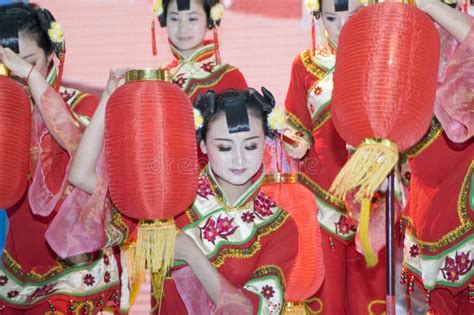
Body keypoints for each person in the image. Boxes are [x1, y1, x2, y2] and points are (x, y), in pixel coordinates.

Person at [69, 86, 299, 314]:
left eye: (250, 145)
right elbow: (81, 176)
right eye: (224, 147)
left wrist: (192, 255)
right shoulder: (170, 195)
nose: (239, 159)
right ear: (203, 145)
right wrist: (109, 95)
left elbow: (253, 311)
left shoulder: (278, 225)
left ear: (266, 146)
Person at [0, 3, 129, 314]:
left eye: (28, 63)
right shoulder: (5, 115)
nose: (16, 75)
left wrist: (32, 78)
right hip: (19, 261)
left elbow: (74, 144)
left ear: (51, 55)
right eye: (7, 67)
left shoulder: (84, 104)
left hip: (78, 264)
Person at [282, 0, 403, 313]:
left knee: (372, 300)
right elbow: (299, 127)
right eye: (331, 17)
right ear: (318, 17)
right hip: (322, 201)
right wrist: (294, 142)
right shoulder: (304, 65)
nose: (340, 25)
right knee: (325, 300)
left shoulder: (385, 60)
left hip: (373, 199)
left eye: (349, 16)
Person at [400, 0, 473, 313]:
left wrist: (429, 5)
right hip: (427, 174)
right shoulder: (407, 26)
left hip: (466, 166)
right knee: (439, 295)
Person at [157, 0, 247, 101]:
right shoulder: (158, 77)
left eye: (192, 18)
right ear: (164, 20)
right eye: (174, 18)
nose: (183, 27)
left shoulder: (230, 76)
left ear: (209, 20)